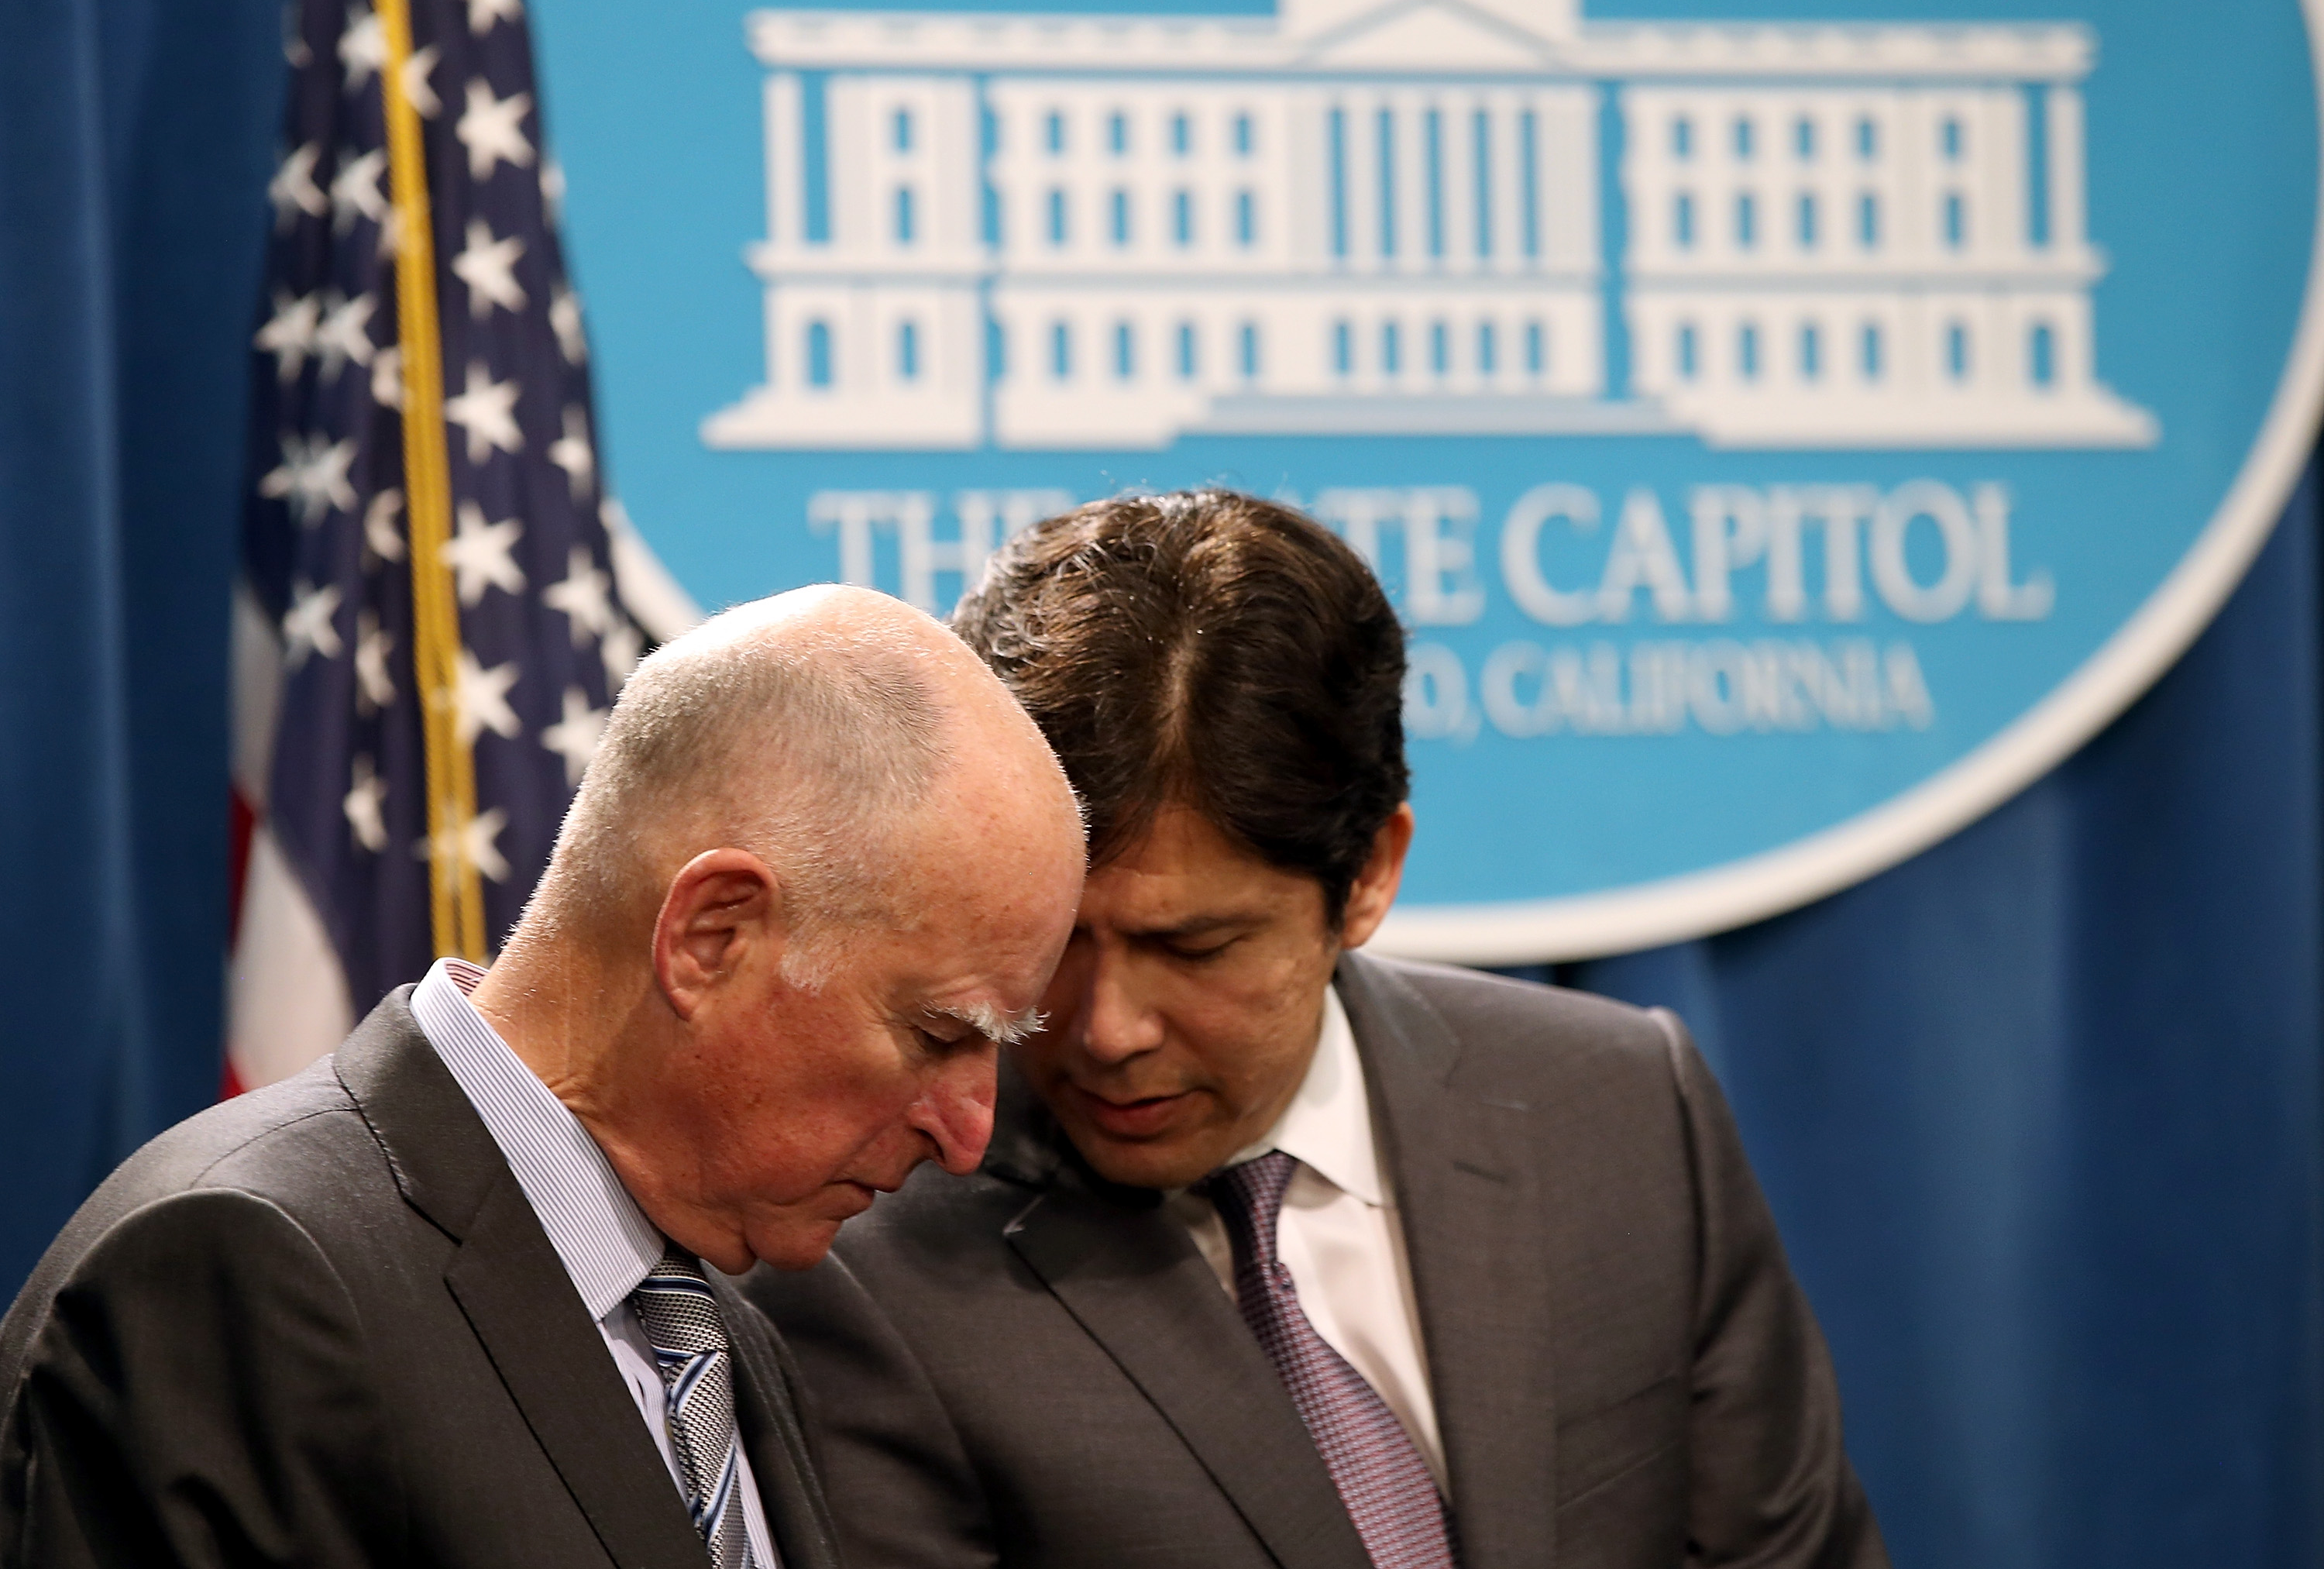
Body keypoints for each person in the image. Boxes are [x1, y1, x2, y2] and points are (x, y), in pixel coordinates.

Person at [751, 494, 1889, 1569]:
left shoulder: (1624, 1110)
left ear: (1369, 877)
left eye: (1196, 949)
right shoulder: (864, 1255)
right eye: (1053, 944)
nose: (1105, 1030)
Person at [0, 585, 1086, 1569]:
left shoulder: (718, 1333)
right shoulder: (240, 1271)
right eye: (939, 1033)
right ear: (711, 936)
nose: (971, 1134)